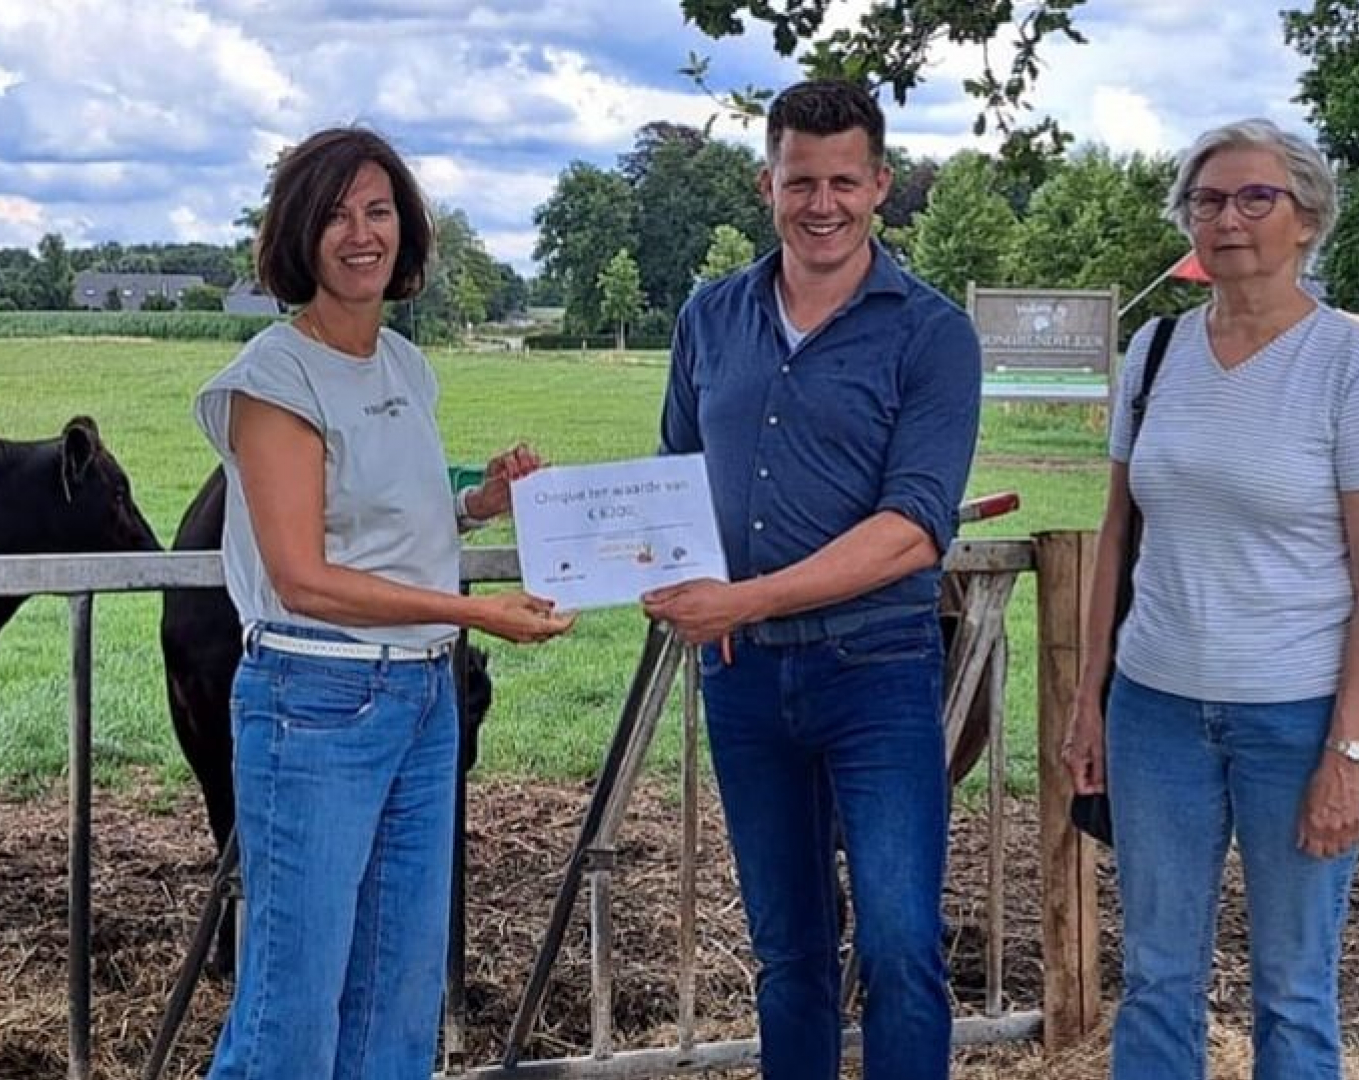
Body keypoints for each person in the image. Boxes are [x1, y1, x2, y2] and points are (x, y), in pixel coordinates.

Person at [194, 126, 575, 1080]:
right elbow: (303, 576)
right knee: (293, 1005)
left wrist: (475, 504)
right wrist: (477, 613)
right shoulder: (272, 377)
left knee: (398, 999)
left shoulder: (404, 366)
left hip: (418, 698)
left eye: (378, 211)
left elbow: (374, 515)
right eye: (333, 215)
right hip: (314, 697)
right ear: (296, 236)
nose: (360, 234)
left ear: (405, 229)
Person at [1060, 118, 1359, 1080]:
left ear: (1307, 220)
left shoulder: (1354, 366)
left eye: (1255, 197)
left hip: (1297, 719)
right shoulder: (1157, 351)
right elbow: (1117, 534)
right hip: (1155, 712)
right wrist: (1090, 699)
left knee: (1294, 989)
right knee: (1156, 976)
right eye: (1208, 200)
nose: (1227, 218)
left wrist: (1346, 749)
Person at [644, 79, 982, 1080]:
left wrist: (740, 600)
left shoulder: (932, 333)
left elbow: (914, 529)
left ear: (881, 186)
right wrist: (565, 519)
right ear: (767, 184)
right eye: (802, 181)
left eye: (844, 181)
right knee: (788, 950)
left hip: (874, 668)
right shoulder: (711, 316)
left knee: (898, 944)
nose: (821, 203)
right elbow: (672, 482)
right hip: (744, 680)